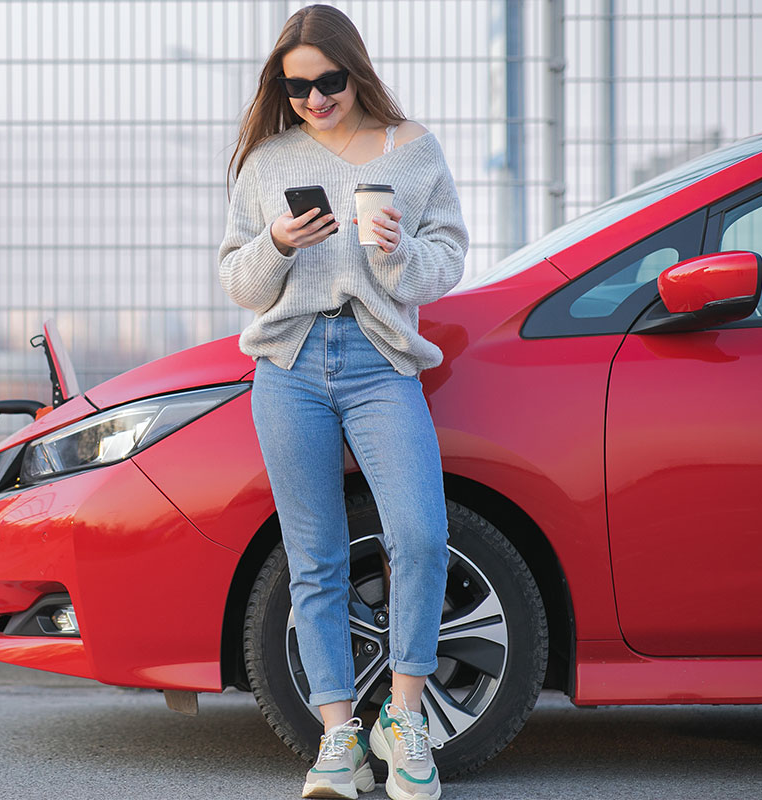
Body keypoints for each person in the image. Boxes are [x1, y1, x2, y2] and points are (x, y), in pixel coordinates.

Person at [218, 5, 468, 800]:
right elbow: (239, 281)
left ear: (355, 71)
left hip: (380, 362)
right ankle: (338, 738)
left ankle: (404, 723)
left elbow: (448, 259)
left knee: (421, 536)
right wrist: (279, 245)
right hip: (288, 364)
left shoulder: (414, 149)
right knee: (315, 557)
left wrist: (396, 254)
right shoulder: (267, 159)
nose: (316, 99)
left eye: (329, 81)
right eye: (298, 88)